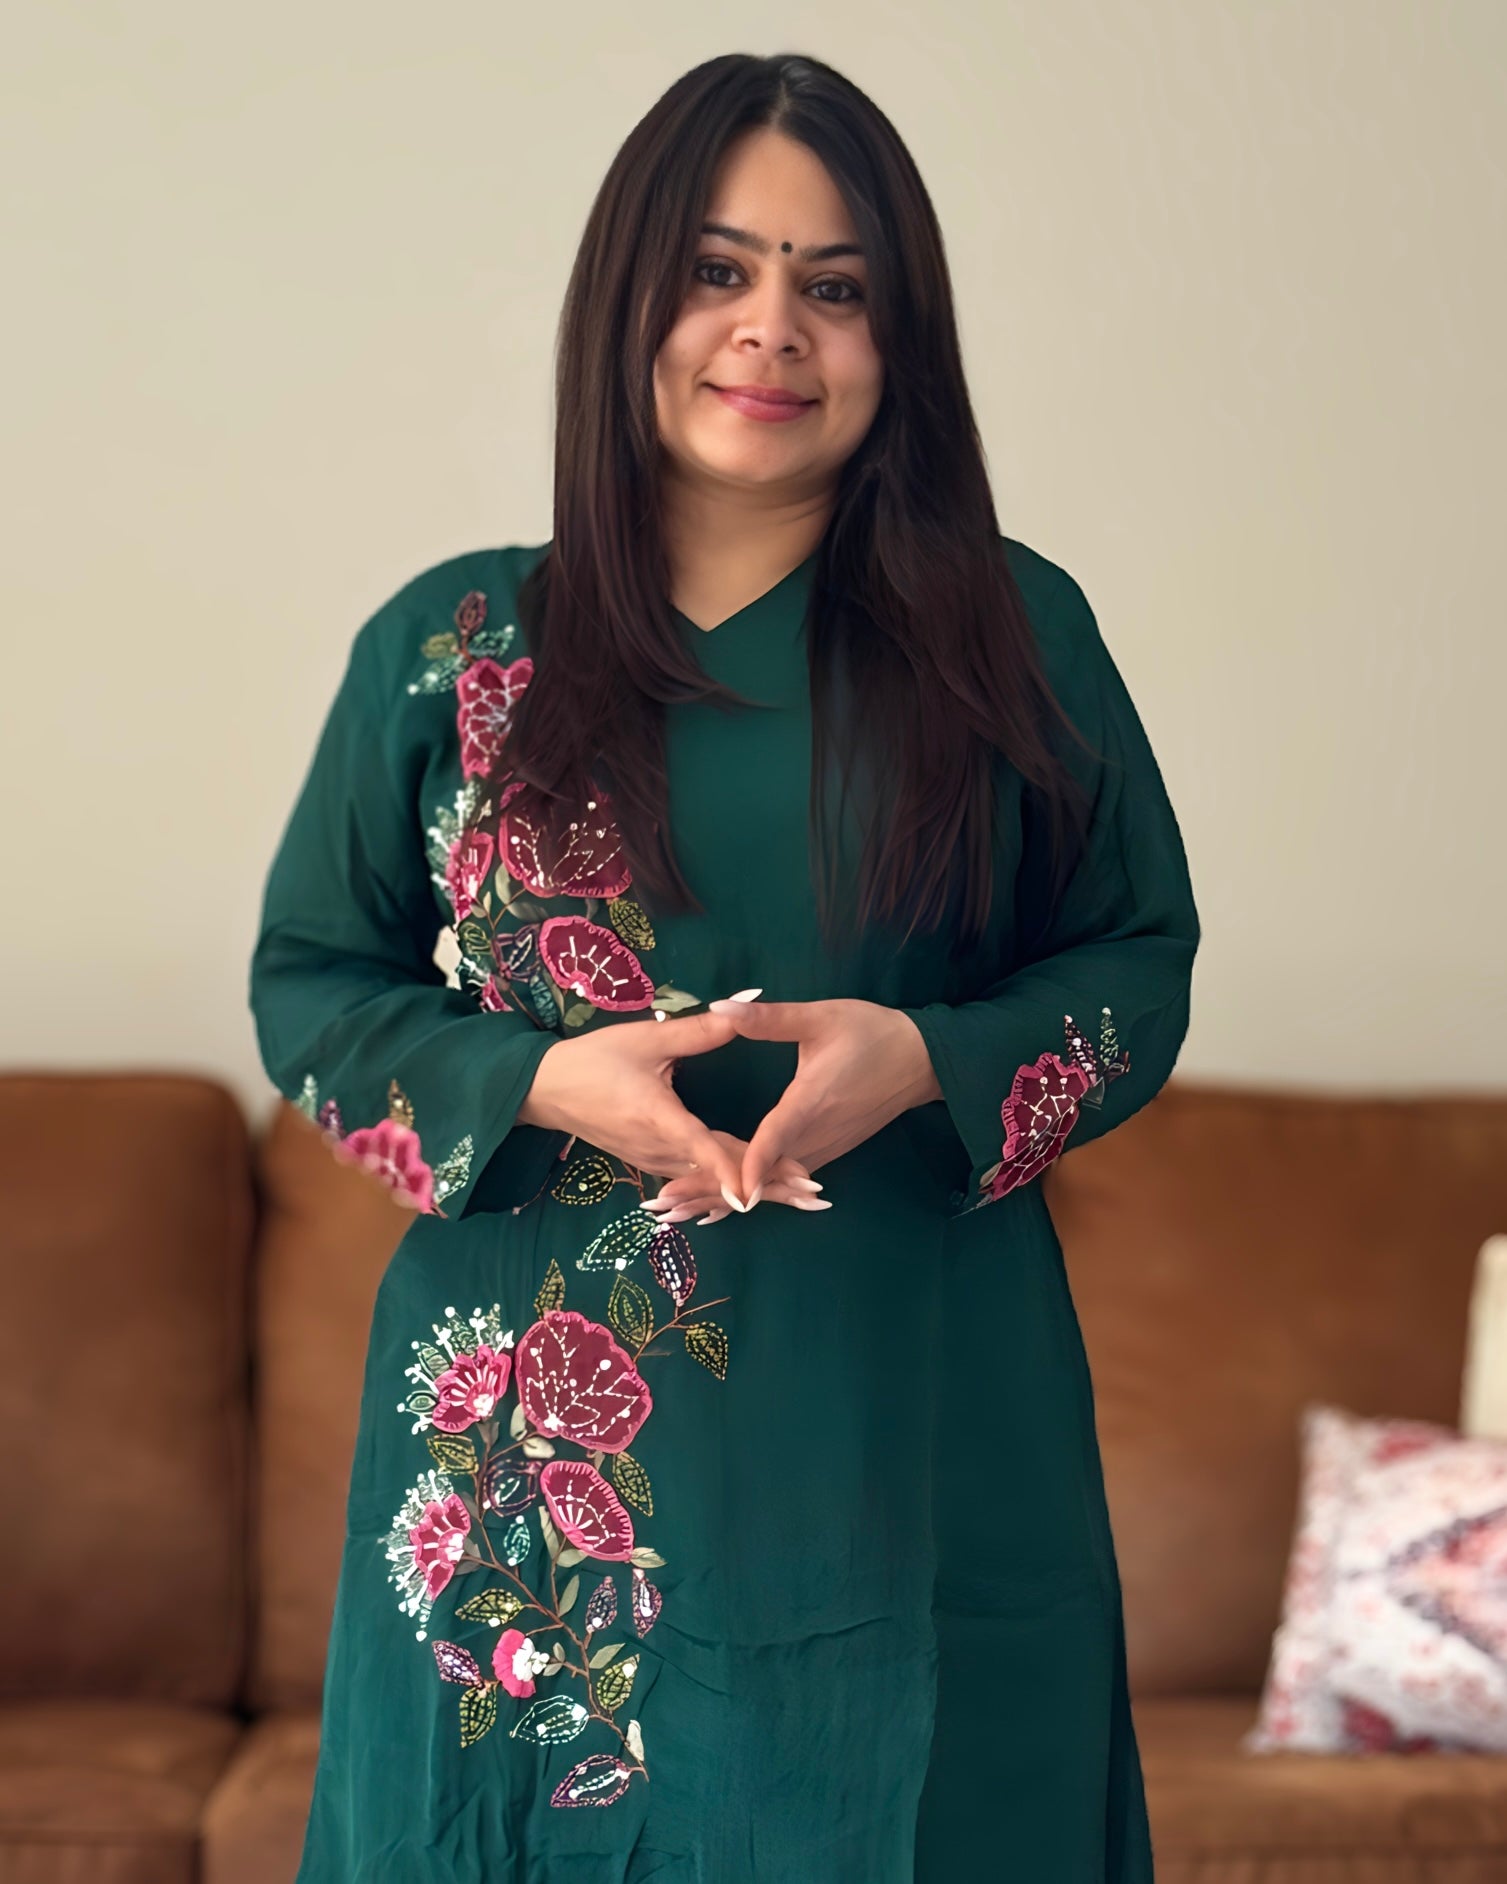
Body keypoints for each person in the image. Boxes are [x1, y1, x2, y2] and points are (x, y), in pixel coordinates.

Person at [249, 48, 1199, 1884]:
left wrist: (925, 1060)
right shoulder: (453, 646)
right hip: (535, 1485)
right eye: (717, 270)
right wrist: (538, 1078)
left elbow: (1137, 966)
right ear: (630, 298)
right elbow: (312, 990)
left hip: (915, 1415)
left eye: (835, 286)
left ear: (900, 341)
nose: (772, 329)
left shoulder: (1013, 634)